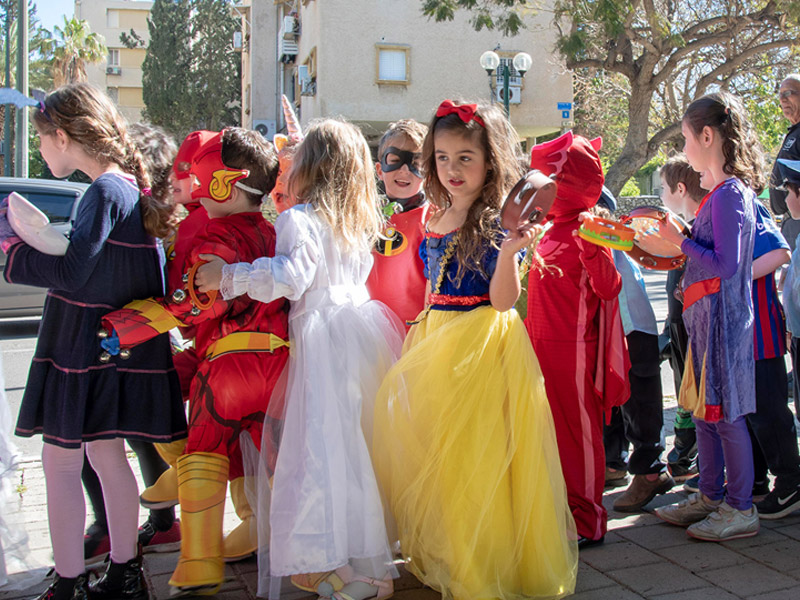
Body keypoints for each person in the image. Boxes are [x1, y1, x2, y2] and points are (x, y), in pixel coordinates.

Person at [373, 100, 578, 600]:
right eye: (441, 158)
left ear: (490, 161)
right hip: (436, 339)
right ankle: (453, 548)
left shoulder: (496, 222)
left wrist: (510, 252)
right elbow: (430, 287)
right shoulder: (437, 213)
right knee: (440, 455)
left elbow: (503, 301)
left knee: (475, 455)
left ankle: (479, 565)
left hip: (480, 344)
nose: (452, 169)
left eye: (465, 157)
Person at [195, 118, 405, 600]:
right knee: (354, 446)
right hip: (360, 333)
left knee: (316, 447)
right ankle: (356, 553)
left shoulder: (300, 218)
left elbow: (291, 278)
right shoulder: (357, 223)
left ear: (309, 166)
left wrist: (229, 277)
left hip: (321, 338)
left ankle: (319, 560)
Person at [0, 82, 186, 600]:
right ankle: (124, 576)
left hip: (79, 349)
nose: (39, 150)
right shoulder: (127, 190)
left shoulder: (103, 191)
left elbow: (77, 272)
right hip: (108, 349)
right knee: (107, 458)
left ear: (62, 136)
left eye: (40, 139)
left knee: (60, 463)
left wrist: (14, 254)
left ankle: (68, 583)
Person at [98, 128, 290, 595]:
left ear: (222, 182)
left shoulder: (218, 234)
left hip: (228, 367)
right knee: (270, 460)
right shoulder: (274, 230)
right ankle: (275, 541)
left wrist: (124, 326)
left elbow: (195, 302)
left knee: (204, 452)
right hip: (279, 367)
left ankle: (200, 560)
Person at [653, 91, 762, 542]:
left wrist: (681, 242)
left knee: (727, 416)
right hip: (704, 326)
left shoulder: (730, 195)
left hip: (722, 327)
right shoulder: (719, 194)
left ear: (708, 135)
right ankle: (711, 496)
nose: (684, 150)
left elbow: (727, 265)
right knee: (704, 413)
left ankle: (740, 507)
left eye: (685, 139)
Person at [80, 123, 182, 563]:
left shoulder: (129, 211)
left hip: (121, 339)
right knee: (143, 436)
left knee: (93, 437)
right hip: (144, 338)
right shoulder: (156, 216)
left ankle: (110, 525)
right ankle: (160, 522)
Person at [525, 131, 630, 547]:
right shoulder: (549, 226)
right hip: (539, 347)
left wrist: (593, 245)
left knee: (579, 435)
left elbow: (609, 287)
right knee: (550, 433)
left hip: (573, 352)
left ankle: (589, 519)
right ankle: (561, 512)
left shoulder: (590, 228)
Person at [596, 189, 675, 513]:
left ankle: (650, 471)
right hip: (614, 325)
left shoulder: (603, 232)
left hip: (630, 325)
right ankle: (614, 463)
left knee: (639, 399)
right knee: (614, 399)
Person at [658, 156, 705, 482]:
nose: (660, 195)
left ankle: (690, 455)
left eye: (662, 188)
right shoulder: (682, 228)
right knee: (684, 390)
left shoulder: (694, 229)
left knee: (693, 392)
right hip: (678, 325)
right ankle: (687, 455)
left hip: (691, 327)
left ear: (680, 188)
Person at [366, 119, 431, 327]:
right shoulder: (365, 216)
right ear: (379, 169)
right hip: (371, 332)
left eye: (416, 164)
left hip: (416, 333)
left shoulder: (433, 218)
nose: (404, 171)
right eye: (394, 160)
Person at [769, 74, 800, 251]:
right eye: (780, 95)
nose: (782, 99)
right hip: (789, 220)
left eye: (789, 93)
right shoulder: (794, 132)